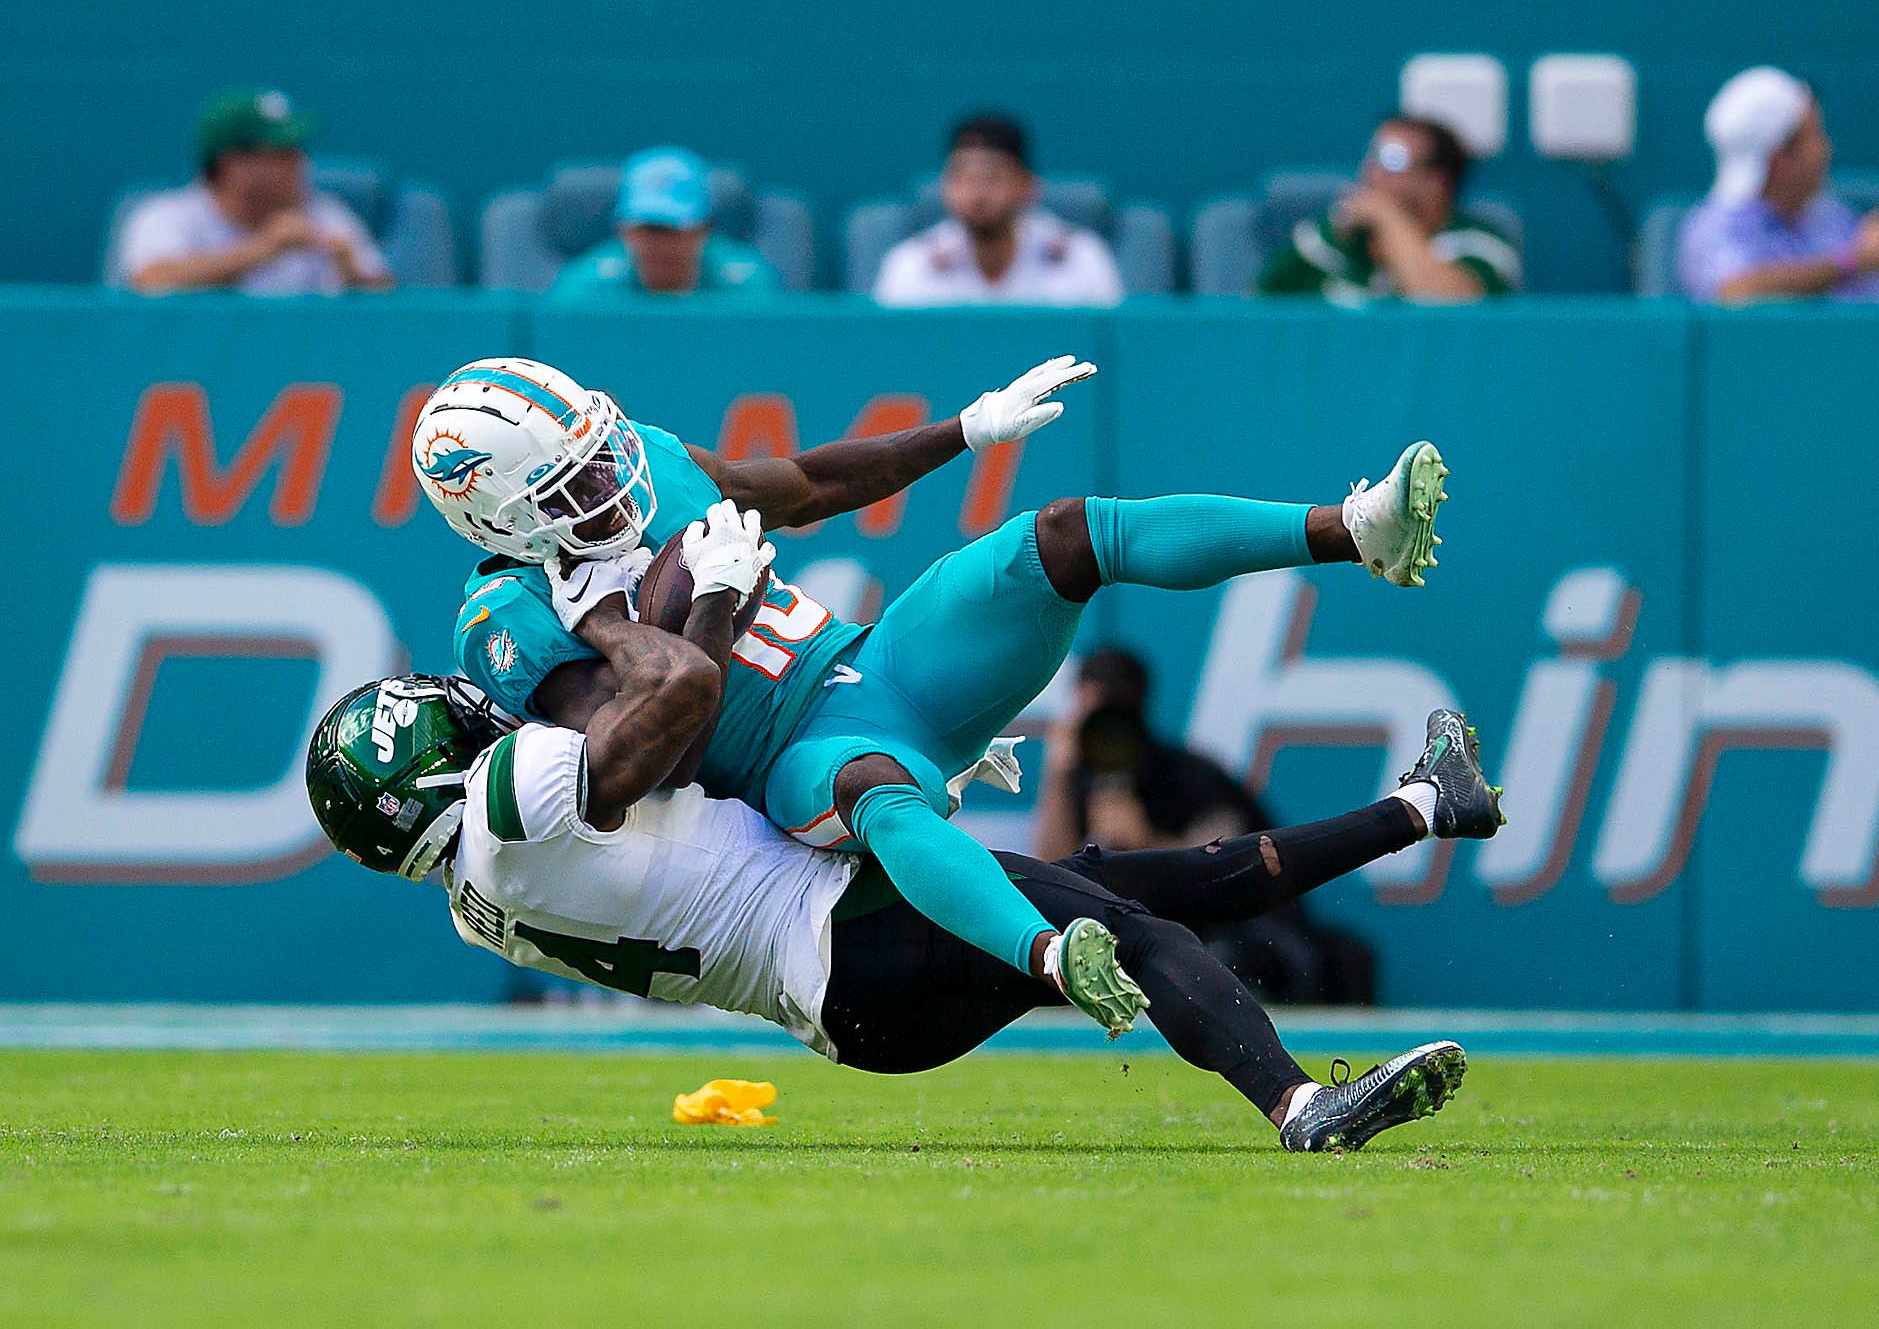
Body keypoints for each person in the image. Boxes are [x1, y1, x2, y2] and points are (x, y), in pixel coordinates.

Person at [412, 353, 1464, 1037]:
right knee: (876, 787)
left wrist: (962, 429)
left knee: (1066, 534)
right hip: (788, 766)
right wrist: (702, 611)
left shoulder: (635, 458)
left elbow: (804, 484)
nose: (612, 484)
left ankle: (1352, 529)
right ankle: (1046, 952)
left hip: (875, 664)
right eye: (574, 486)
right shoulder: (513, 619)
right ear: (495, 519)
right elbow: (660, 768)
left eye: (602, 456)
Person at [304, 597, 1499, 1150]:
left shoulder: (476, 901)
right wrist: (626, 609)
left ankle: (1421, 805)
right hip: (848, 933)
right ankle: (1301, 1107)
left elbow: (680, 794)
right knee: (1129, 926)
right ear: (423, 776)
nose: (473, 712)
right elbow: (678, 692)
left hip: (841, 987)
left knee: (1139, 882)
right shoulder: (511, 799)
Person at [1035, 647, 1375, 1004]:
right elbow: (1049, 872)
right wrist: (1056, 775)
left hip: (1236, 937)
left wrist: (1146, 841)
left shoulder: (1191, 777)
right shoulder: (1075, 781)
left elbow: (1232, 866)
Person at [1676, 67, 1879, 305]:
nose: (1827, 148)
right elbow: (1735, 293)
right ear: (1780, 160)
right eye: (1815, 135)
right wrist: (1853, 262)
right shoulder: (1712, 227)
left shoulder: (1833, 217)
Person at [116, 90, 391, 295]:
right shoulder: (164, 215)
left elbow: (386, 298)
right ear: (233, 165)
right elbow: (152, 281)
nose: (301, 164)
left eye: (299, 151)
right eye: (283, 153)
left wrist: (351, 273)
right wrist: (264, 249)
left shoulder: (326, 214)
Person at [1257, 116, 1518, 304]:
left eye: (1392, 160)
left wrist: (1387, 217)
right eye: (1372, 155)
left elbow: (1453, 310)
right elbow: (1255, 317)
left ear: (1439, 182)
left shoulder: (1481, 245)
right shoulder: (1326, 241)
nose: (1371, 171)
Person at [871, 114, 1123, 307]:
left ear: (1027, 186)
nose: (977, 193)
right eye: (963, 177)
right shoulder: (910, 264)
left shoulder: (1082, 258)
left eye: (993, 178)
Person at [548, 147, 777, 301]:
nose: (659, 244)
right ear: (623, 230)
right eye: (648, 229)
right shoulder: (584, 289)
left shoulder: (746, 287)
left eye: (673, 229)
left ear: (704, 229)